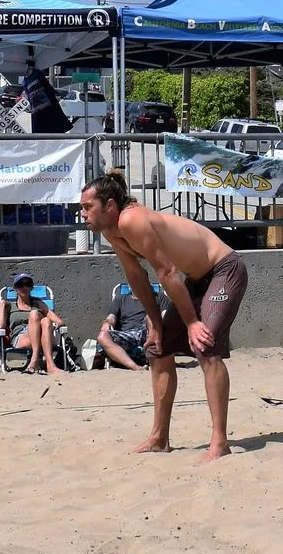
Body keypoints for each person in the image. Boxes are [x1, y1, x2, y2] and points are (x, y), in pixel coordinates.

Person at [81, 170, 249, 459]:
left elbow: (167, 272)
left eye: (87, 207)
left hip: (224, 270)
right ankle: (160, 437)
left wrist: (193, 323)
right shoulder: (111, 230)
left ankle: (220, 442)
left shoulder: (131, 220)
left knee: (204, 346)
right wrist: (157, 326)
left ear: (109, 205)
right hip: (196, 280)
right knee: (157, 351)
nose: (82, 213)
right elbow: (136, 276)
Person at [0, 272, 65, 374]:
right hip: (21, 337)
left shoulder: (38, 303)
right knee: (34, 314)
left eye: (28, 284)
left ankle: (46, 364)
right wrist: (2, 305)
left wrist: (51, 325)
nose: (24, 287)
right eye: (20, 284)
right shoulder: (10, 306)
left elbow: (59, 321)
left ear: (31, 287)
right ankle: (37, 359)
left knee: (45, 320)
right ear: (15, 288)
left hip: (44, 335)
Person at [98, 279, 154, 370]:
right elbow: (111, 317)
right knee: (102, 336)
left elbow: (165, 316)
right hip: (127, 335)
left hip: (147, 332)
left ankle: (153, 356)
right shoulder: (120, 299)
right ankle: (134, 366)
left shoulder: (157, 297)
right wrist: (107, 323)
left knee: (151, 318)